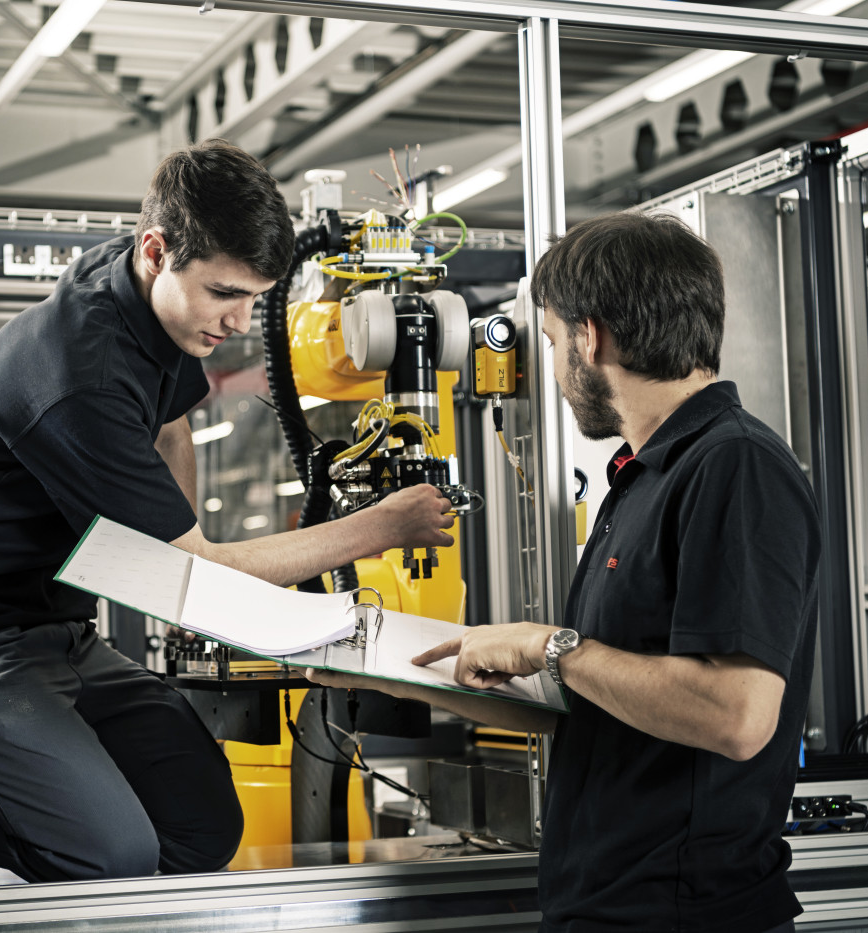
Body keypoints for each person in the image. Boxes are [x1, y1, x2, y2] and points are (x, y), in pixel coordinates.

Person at [0, 138, 455, 882]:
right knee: (111, 857)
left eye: (254, 298)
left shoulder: (140, 293)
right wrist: (381, 526)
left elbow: (172, 422)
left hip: (57, 629)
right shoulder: (79, 373)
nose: (240, 321)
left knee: (202, 831)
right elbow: (197, 567)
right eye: (225, 294)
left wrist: (176, 564)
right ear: (157, 251)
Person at [309, 211, 820, 932]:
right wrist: (389, 670)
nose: (551, 370)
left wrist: (549, 645)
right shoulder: (641, 479)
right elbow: (589, 698)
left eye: (550, 342)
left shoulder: (735, 466)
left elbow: (737, 716)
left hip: (686, 915)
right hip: (609, 906)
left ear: (590, 337)